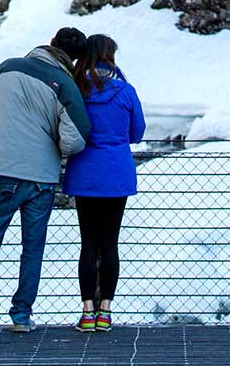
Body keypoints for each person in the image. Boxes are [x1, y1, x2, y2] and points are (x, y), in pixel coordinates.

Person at [0, 26, 92, 333]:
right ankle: (21, 316)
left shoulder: (7, 68)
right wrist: (52, 149)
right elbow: (76, 138)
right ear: (74, 58)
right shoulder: (65, 85)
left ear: (50, 42)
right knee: (32, 248)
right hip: (41, 179)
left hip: (1, 172)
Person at [61, 34, 144, 333]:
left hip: (84, 172)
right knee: (110, 243)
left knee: (88, 243)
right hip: (117, 173)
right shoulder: (125, 91)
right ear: (111, 56)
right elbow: (137, 133)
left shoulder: (76, 89)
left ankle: (87, 312)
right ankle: (105, 311)